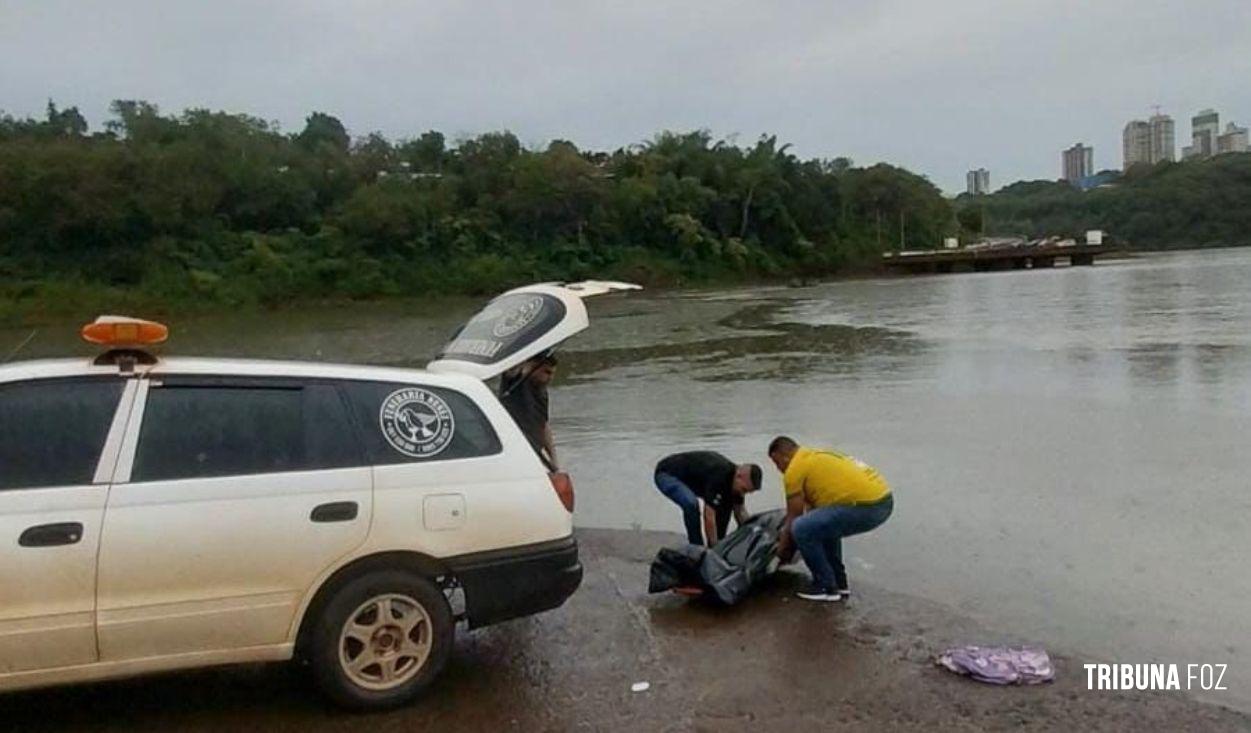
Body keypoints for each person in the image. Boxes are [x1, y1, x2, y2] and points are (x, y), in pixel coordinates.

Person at [768, 436, 894, 602]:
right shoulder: (813, 456)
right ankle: (839, 584)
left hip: (867, 505)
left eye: (777, 464)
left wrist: (781, 552)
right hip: (884, 500)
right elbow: (817, 513)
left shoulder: (794, 470)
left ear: (784, 457)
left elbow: (794, 518)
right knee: (822, 526)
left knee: (801, 527)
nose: (779, 469)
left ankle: (825, 587)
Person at [654, 451, 763, 546]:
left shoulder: (735, 484)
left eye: (747, 492)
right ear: (739, 476)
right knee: (691, 503)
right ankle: (696, 546)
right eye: (743, 490)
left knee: (726, 506)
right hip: (667, 474)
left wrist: (754, 532)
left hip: (694, 481)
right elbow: (709, 516)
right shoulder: (719, 475)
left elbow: (740, 513)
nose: (743, 494)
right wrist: (714, 549)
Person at [499, 351, 559, 471]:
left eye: (552, 374)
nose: (550, 378)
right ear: (533, 367)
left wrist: (554, 460)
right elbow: (510, 370)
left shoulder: (542, 392)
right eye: (546, 372)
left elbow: (544, 425)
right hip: (515, 452)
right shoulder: (514, 383)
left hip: (534, 452)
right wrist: (525, 365)